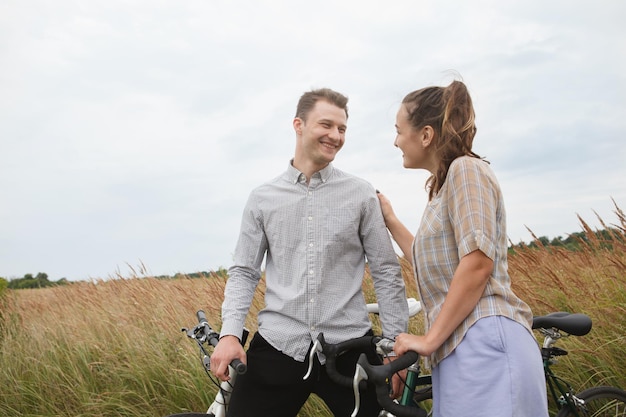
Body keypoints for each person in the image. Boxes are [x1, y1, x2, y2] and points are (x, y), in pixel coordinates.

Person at [210, 87, 409, 417]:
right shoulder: (262, 198)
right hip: (278, 345)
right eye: (326, 125)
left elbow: (387, 270)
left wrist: (393, 348)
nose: (335, 135)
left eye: (342, 129)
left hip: (350, 350)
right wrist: (230, 334)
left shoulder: (361, 194)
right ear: (298, 125)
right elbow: (244, 271)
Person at [377, 79, 548, 417]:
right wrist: (391, 220)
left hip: (486, 343)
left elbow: (478, 262)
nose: (396, 141)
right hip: (460, 347)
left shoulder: (466, 170)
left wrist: (426, 341)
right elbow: (431, 263)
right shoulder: (441, 188)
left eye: (399, 131)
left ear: (426, 135)